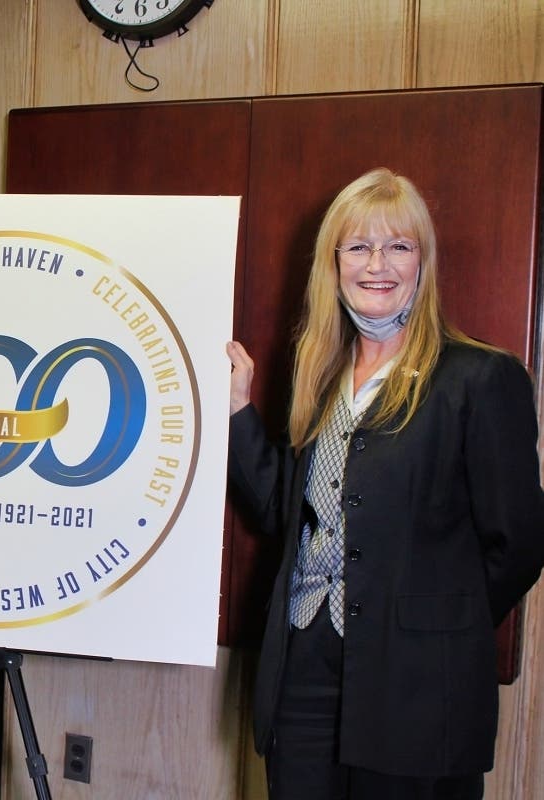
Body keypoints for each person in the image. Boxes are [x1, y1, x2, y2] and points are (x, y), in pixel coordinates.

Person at [226, 167, 544, 799]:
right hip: (305, 668)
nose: (378, 264)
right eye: (359, 246)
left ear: (422, 261)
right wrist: (238, 412)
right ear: (334, 262)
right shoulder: (321, 375)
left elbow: (519, 545)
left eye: (399, 245)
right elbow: (284, 513)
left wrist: (439, 626)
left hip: (417, 684)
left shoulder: (478, 378)